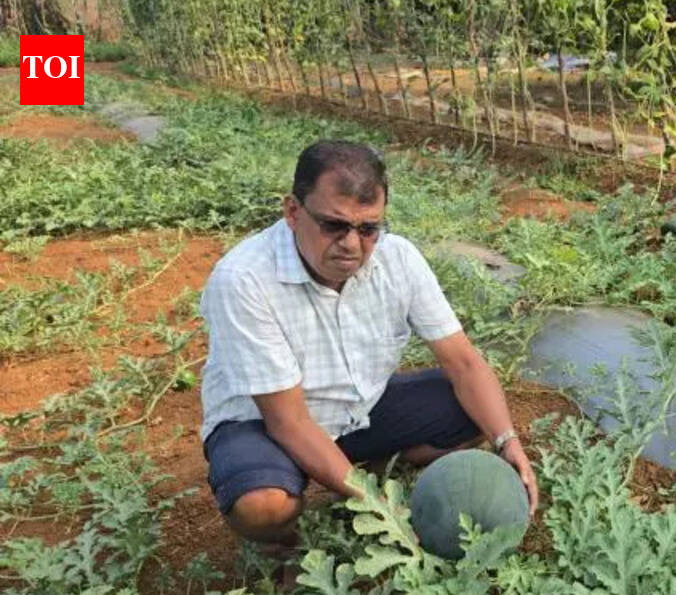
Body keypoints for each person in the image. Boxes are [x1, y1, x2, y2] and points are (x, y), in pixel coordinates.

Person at [199, 139, 537, 546]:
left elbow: (464, 362)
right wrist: (379, 506)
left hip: (357, 413)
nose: (352, 245)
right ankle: (284, 546)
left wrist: (508, 441)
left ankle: (374, 461)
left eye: (368, 228)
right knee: (264, 506)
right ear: (292, 211)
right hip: (262, 425)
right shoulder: (245, 279)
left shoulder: (399, 259)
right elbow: (288, 422)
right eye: (334, 225)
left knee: (474, 411)